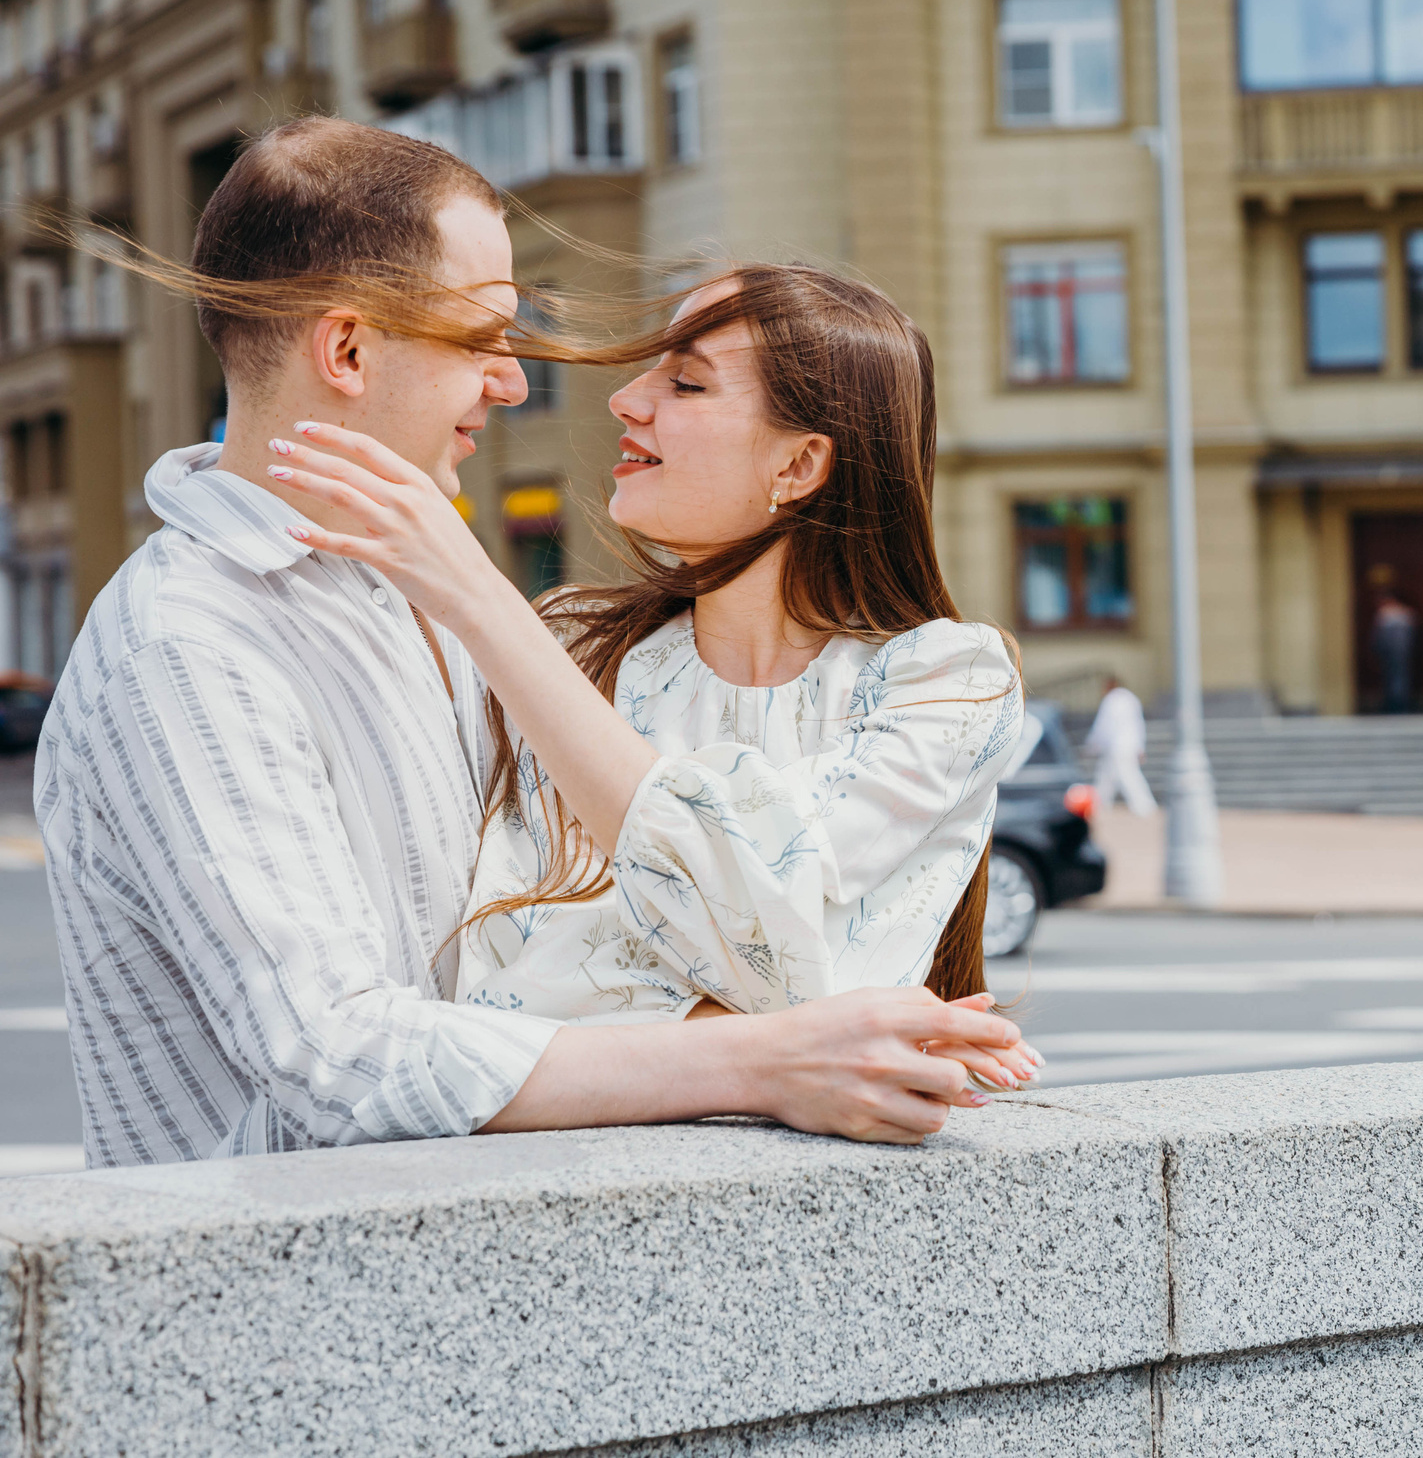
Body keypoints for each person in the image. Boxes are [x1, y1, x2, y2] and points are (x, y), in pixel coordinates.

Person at [36, 118, 1028, 1168]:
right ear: (348, 348)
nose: (514, 384)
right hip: (266, 1298)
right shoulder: (187, 642)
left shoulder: (417, 598)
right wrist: (764, 1059)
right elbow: (336, 1058)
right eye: (481, 337)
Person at [271, 266, 1026, 1026]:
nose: (626, 400)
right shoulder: (571, 643)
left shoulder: (950, 683)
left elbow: (798, 974)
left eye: (687, 384)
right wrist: (744, 1015)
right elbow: (492, 987)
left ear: (798, 464)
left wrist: (480, 595)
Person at [1084, 677, 1155, 816]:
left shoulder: (1111, 700)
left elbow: (1103, 725)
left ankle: (1144, 806)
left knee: (1127, 777)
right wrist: (1140, 747)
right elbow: (1138, 725)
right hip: (1129, 745)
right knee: (1106, 777)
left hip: (1115, 746)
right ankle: (1098, 805)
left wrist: (1091, 745)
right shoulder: (1131, 699)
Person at [1371, 589, 1419, 715]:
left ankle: (1396, 705)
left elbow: (1379, 637)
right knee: (1398, 678)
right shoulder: (1406, 613)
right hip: (1400, 653)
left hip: (1394, 653)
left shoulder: (1385, 614)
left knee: (1396, 679)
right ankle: (1399, 704)